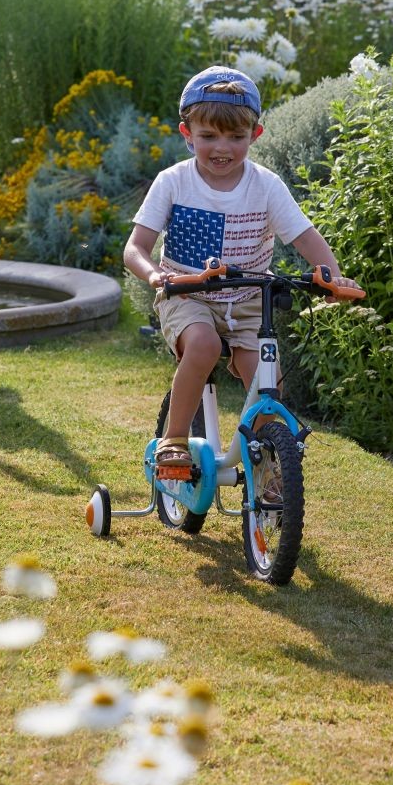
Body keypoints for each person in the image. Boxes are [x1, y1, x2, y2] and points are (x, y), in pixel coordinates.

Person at [122, 65, 359, 489]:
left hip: (249, 298)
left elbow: (304, 236)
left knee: (268, 378)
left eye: (236, 137)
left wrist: (332, 278)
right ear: (187, 133)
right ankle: (173, 439)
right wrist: (157, 276)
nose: (222, 148)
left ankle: (268, 467)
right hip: (187, 294)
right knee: (204, 344)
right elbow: (135, 248)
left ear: (256, 134)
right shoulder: (173, 182)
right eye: (209, 136)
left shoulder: (265, 185)